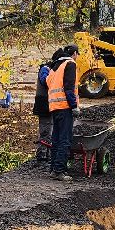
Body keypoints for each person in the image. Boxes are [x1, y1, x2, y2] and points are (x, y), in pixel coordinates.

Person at [44, 46, 79, 180]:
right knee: (65, 139)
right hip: (65, 106)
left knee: (56, 139)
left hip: (54, 106)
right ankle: (59, 171)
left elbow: (48, 82)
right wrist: (74, 106)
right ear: (74, 54)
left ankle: (53, 169)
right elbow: (69, 88)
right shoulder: (70, 64)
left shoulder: (54, 67)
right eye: (77, 55)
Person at [30, 57, 53, 166]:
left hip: (47, 104)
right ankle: (41, 156)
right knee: (45, 131)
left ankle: (46, 154)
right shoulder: (45, 69)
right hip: (43, 104)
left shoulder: (48, 69)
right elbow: (45, 81)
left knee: (49, 131)